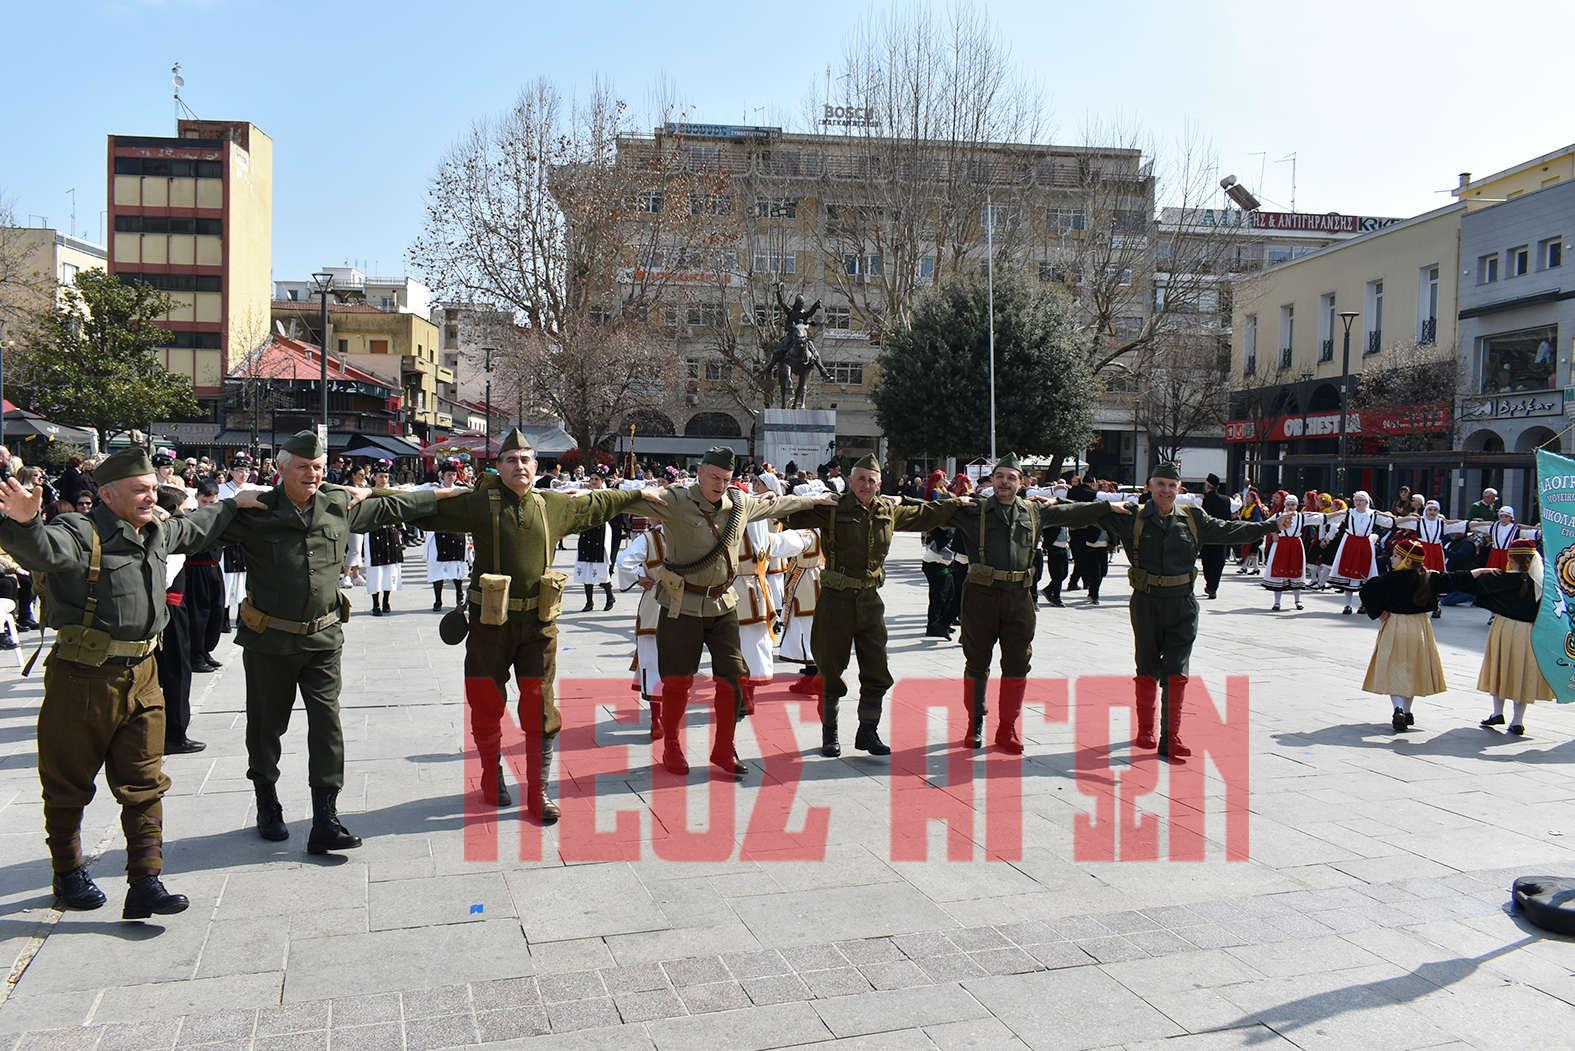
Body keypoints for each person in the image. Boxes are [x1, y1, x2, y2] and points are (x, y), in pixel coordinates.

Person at [0, 448, 259, 918]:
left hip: (143, 676)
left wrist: (233, 503)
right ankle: (68, 872)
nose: (151, 495)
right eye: (140, 490)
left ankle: (145, 881)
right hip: (82, 680)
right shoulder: (79, 532)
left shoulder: (153, 531)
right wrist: (23, 523)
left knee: (145, 782)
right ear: (106, 494)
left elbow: (195, 529)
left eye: (153, 488)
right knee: (68, 785)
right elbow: (40, 550)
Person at [214, 431, 461, 852]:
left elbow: (395, 506)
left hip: (324, 639)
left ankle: (325, 818)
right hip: (269, 641)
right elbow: (198, 532)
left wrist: (445, 494)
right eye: (302, 467)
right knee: (266, 726)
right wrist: (225, 505)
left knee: (327, 726)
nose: (312, 474)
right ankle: (267, 801)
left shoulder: (337, 504)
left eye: (317, 467)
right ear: (280, 469)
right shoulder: (256, 509)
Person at [415, 430, 664, 813]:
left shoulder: (552, 505)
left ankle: (538, 790)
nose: (519, 466)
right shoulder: (480, 503)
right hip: (489, 625)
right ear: (498, 468)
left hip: (539, 625)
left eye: (526, 459)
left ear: (536, 466)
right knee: (485, 700)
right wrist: (368, 498)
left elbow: (599, 504)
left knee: (540, 703)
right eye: (511, 460)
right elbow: (418, 510)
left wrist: (638, 494)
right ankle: (490, 773)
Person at [641, 446, 829, 775]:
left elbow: (779, 504)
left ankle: (723, 747)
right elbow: (625, 502)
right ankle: (671, 745)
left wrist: (814, 501)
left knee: (733, 677)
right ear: (700, 472)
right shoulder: (674, 500)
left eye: (726, 479)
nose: (719, 484)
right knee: (677, 681)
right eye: (714, 477)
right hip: (680, 605)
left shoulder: (737, 504)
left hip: (722, 603)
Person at [1101, 463, 1291, 759]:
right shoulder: (1132, 517)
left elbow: (1229, 530)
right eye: (1160, 484)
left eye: (1171, 485)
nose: (1165, 490)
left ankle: (1171, 736)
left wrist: (1270, 525)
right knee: (1147, 667)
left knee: (1177, 671)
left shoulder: (1192, 518)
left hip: (1183, 603)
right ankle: (1145, 729)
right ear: (1150, 486)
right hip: (1146, 602)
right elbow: (1086, 512)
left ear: (1179, 489)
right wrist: (1054, 504)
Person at [946, 453, 1126, 752]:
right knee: (976, 663)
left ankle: (1007, 728)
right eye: (1000, 476)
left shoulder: (1034, 511)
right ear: (992, 480)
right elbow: (927, 512)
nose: (1005, 482)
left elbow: (1077, 513)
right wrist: (893, 502)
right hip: (981, 597)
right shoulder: (973, 509)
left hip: (1019, 598)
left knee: (1017, 664)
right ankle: (974, 723)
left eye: (1011, 478)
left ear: (1020, 483)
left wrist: (1107, 505)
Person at [784, 454, 958, 756]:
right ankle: (830, 735)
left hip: (869, 601)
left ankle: (868, 732)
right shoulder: (834, 509)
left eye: (872, 480)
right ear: (850, 482)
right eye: (861, 479)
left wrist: (959, 503)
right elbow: (790, 514)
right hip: (835, 602)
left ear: (879, 484)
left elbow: (927, 515)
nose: (866, 484)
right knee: (829, 669)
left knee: (877, 670)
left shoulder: (886, 511)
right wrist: (806, 499)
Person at [1359, 538, 1449, 733]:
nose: (1391, 559)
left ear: (1407, 560)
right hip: (1419, 626)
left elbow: (1366, 590)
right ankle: (1407, 711)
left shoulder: (1388, 579)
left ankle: (1398, 708)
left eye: (1396, 556)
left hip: (1395, 624)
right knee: (1413, 667)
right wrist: (1480, 572)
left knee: (1395, 666)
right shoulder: (1427, 578)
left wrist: (1377, 611)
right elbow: (1458, 579)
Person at [153, 485, 204, 756]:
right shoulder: (168, 534)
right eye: (185, 509)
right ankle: (175, 733)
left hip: (170, 607)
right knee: (176, 672)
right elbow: (164, 578)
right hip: (169, 611)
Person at [616, 517, 667, 737]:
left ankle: (657, 720)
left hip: (654, 604)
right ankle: (667, 719)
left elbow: (623, 561)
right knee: (680, 665)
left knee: (652, 662)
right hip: (687, 603)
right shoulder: (689, 535)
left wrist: (640, 577)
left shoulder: (649, 538)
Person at [1325, 491, 1394, 614]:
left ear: (1367, 502)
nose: (1358, 503)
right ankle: (1348, 605)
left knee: (1365, 573)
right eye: (1356, 500)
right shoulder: (1349, 513)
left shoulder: (1373, 514)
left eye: (1361, 500)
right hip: (1350, 542)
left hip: (1365, 544)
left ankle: (1363, 604)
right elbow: (1330, 518)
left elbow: (1391, 523)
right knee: (1349, 573)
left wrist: (1409, 519)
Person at [184, 479, 226, 673]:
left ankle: (206, 651)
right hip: (196, 568)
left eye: (212, 502)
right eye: (205, 502)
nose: (208, 506)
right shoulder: (191, 517)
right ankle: (195, 655)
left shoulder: (221, 517)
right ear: (197, 498)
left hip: (214, 568)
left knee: (216, 612)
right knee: (199, 614)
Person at [216, 453, 260, 632]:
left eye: (246, 470)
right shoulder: (222, 489)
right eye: (240, 470)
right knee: (226, 579)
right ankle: (223, 617)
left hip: (245, 539)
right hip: (227, 539)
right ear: (231, 472)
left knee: (243, 580)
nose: (243, 474)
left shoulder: (251, 488)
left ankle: (242, 616)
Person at [1262, 495, 1322, 611]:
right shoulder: (1279, 516)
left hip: (1295, 544)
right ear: (1285, 505)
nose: (1290, 507)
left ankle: (1297, 600)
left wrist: (1338, 515)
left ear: (1297, 506)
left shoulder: (1301, 517)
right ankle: (1277, 602)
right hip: (1281, 544)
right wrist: (1274, 533)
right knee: (1279, 571)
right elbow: (1267, 525)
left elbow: (1320, 518)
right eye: (1288, 504)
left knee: (1296, 571)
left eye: (1293, 505)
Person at [423, 463, 469, 610]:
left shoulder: (461, 490)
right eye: (449, 475)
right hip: (438, 531)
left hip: (456, 531)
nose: (451, 478)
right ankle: (438, 600)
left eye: (454, 475)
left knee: (456, 566)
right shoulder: (434, 489)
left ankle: (459, 595)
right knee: (437, 567)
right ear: (442, 475)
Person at [573, 468, 617, 612]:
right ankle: (589, 602)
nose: (593, 482)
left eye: (596, 479)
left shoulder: (606, 494)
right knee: (586, 564)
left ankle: (609, 596)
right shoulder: (585, 493)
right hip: (587, 529)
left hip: (601, 530)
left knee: (600, 565)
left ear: (603, 481)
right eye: (591, 479)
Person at [364, 461, 405, 616]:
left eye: (386, 476)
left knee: (390, 570)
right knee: (375, 570)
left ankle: (386, 600)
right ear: (374, 477)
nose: (383, 480)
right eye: (380, 476)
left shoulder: (392, 492)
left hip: (391, 533)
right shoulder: (368, 493)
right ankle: (375, 604)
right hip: (374, 534)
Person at [1199, 473, 1232, 599]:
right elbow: (1229, 518)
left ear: (1207, 486)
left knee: (1207, 561)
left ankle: (1209, 584)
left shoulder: (1204, 499)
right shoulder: (1226, 499)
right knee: (1218, 562)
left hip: (1207, 535)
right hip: (1221, 535)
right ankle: (1214, 587)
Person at [1474, 507, 1540, 570]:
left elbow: (1532, 534)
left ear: (1511, 517)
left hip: (1509, 556)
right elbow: (1474, 526)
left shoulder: (1515, 529)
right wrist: (1485, 523)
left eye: (1506, 516)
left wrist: (1538, 530)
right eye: (1501, 516)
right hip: (1495, 555)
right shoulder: (1493, 527)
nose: (1503, 519)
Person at [922, 525, 959, 633]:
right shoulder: (944, 522)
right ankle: (933, 626)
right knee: (939, 597)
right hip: (936, 562)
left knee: (950, 594)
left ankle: (942, 623)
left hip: (945, 562)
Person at [1236, 490, 1265, 574]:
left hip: (1254, 531)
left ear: (1253, 498)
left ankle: (1244, 567)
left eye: (1248, 496)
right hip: (1247, 530)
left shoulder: (1256, 508)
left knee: (1251, 550)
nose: (1246, 498)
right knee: (1251, 551)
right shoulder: (1247, 507)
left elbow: (1258, 520)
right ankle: (1255, 569)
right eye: (1246, 496)